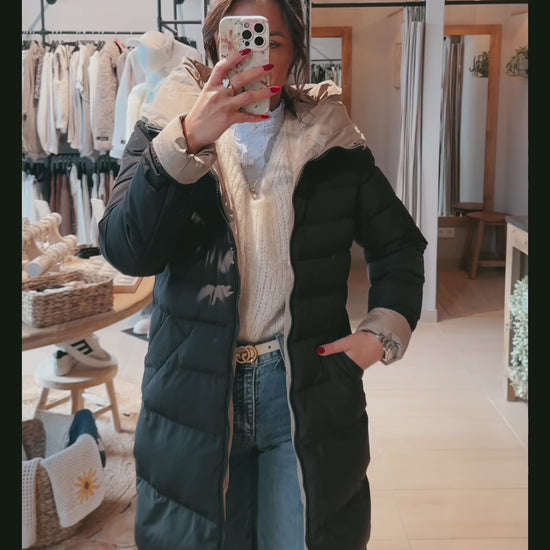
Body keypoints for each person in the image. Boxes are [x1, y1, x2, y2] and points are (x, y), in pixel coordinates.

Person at [98, 0, 427, 548]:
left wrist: (381, 335)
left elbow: (399, 246)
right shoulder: (167, 123)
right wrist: (187, 140)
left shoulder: (330, 135)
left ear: (295, 53)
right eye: (243, 40)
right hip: (194, 390)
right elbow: (126, 250)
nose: (259, 59)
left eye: (274, 43)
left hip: (305, 389)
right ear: (215, 47)